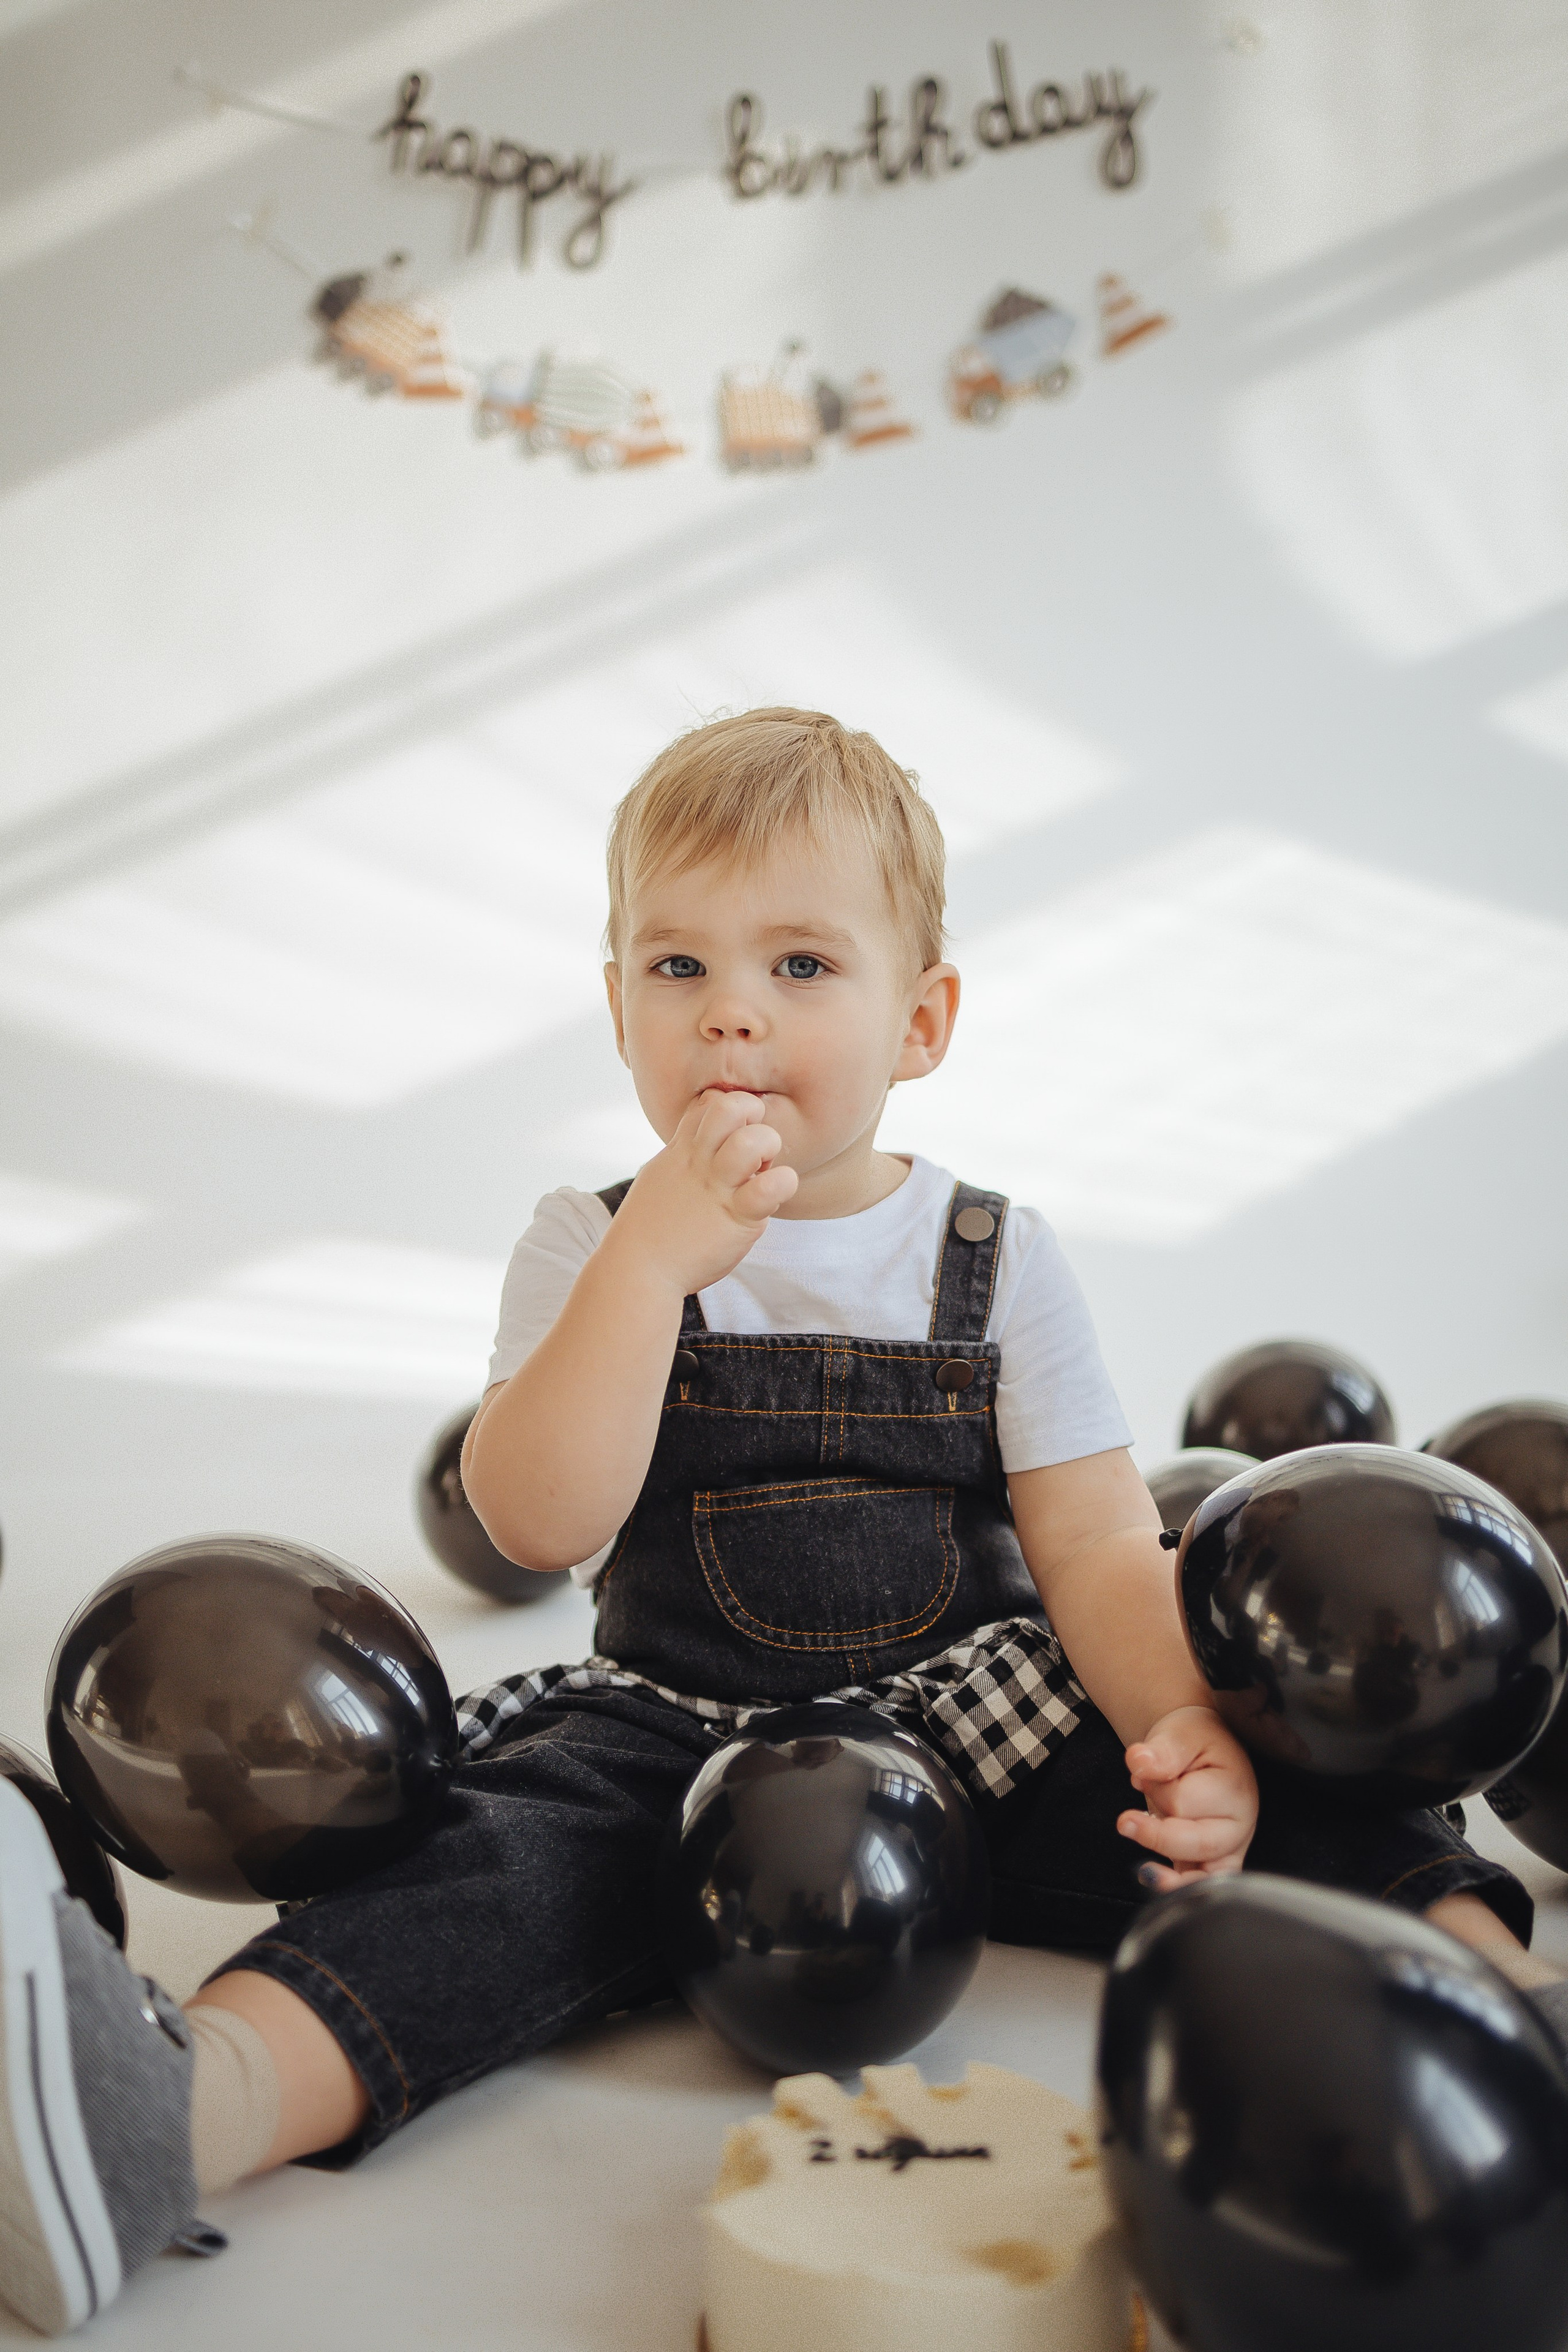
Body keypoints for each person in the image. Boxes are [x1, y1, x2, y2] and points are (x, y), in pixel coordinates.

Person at [0, 708, 1558, 2334]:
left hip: (983, 1723)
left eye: (802, 966)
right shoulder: (585, 1243)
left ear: (921, 1020)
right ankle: (173, 2114)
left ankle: (1511, 1999)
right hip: (671, 1738)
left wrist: (1181, 1730)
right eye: (678, 966)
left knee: (1295, 1786)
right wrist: (650, 1270)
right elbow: (534, 1520)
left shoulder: (997, 1258)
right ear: (619, 1006)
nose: (731, 1011)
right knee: (490, 1877)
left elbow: (1101, 1545)